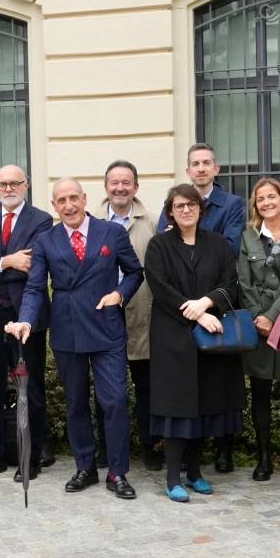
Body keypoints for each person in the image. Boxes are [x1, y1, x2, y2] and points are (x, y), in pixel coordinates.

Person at [7, 178, 142, 499]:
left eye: (73, 198)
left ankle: (118, 473)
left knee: (115, 401)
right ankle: (85, 467)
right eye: (61, 201)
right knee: (75, 403)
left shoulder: (112, 233)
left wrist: (119, 295)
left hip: (106, 328)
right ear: (54, 206)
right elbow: (36, 286)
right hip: (67, 330)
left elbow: (136, 272)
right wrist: (25, 319)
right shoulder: (46, 240)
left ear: (84, 199)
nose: (68, 205)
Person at [144, 185, 246, 502]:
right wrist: (197, 314)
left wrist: (207, 302)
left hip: (210, 339)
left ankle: (195, 473)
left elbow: (230, 282)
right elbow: (159, 285)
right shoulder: (159, 245)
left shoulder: (216, 244)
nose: (186, 210)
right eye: (179, 206)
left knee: (204, 405)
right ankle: (173, 477)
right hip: (173, 335)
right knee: (176, 407)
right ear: (170, 212)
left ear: (201, 210)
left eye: (191, 205)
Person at [0, 164, 50, 482]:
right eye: (3, 184)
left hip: (26, 316)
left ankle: (31, 457)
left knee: (29, 388)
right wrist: (6, 261)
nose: (9, 188)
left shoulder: (40, 219)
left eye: (15, 183)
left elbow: (35, 266)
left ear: (26, 185)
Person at [238, 178, 280, 483]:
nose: (266, 203)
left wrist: (273, 315)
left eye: (271, 197)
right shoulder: (249, 236)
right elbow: (244, 282)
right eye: (260, 199)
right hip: (259, 327)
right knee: (261, 392)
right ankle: (263, 458)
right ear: (255, 205)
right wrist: (259, 317)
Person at [97, 160, 159, 471]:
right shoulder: (91, 220)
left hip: (142, 312)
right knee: (105, 389)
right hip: (102, 313)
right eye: (114, 182)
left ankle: (150, 447)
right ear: (105, 186)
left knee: (146, 387)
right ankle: (106, 450)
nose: (120, 187)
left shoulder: (153, 221)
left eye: (126, 182)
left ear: (136, 186)